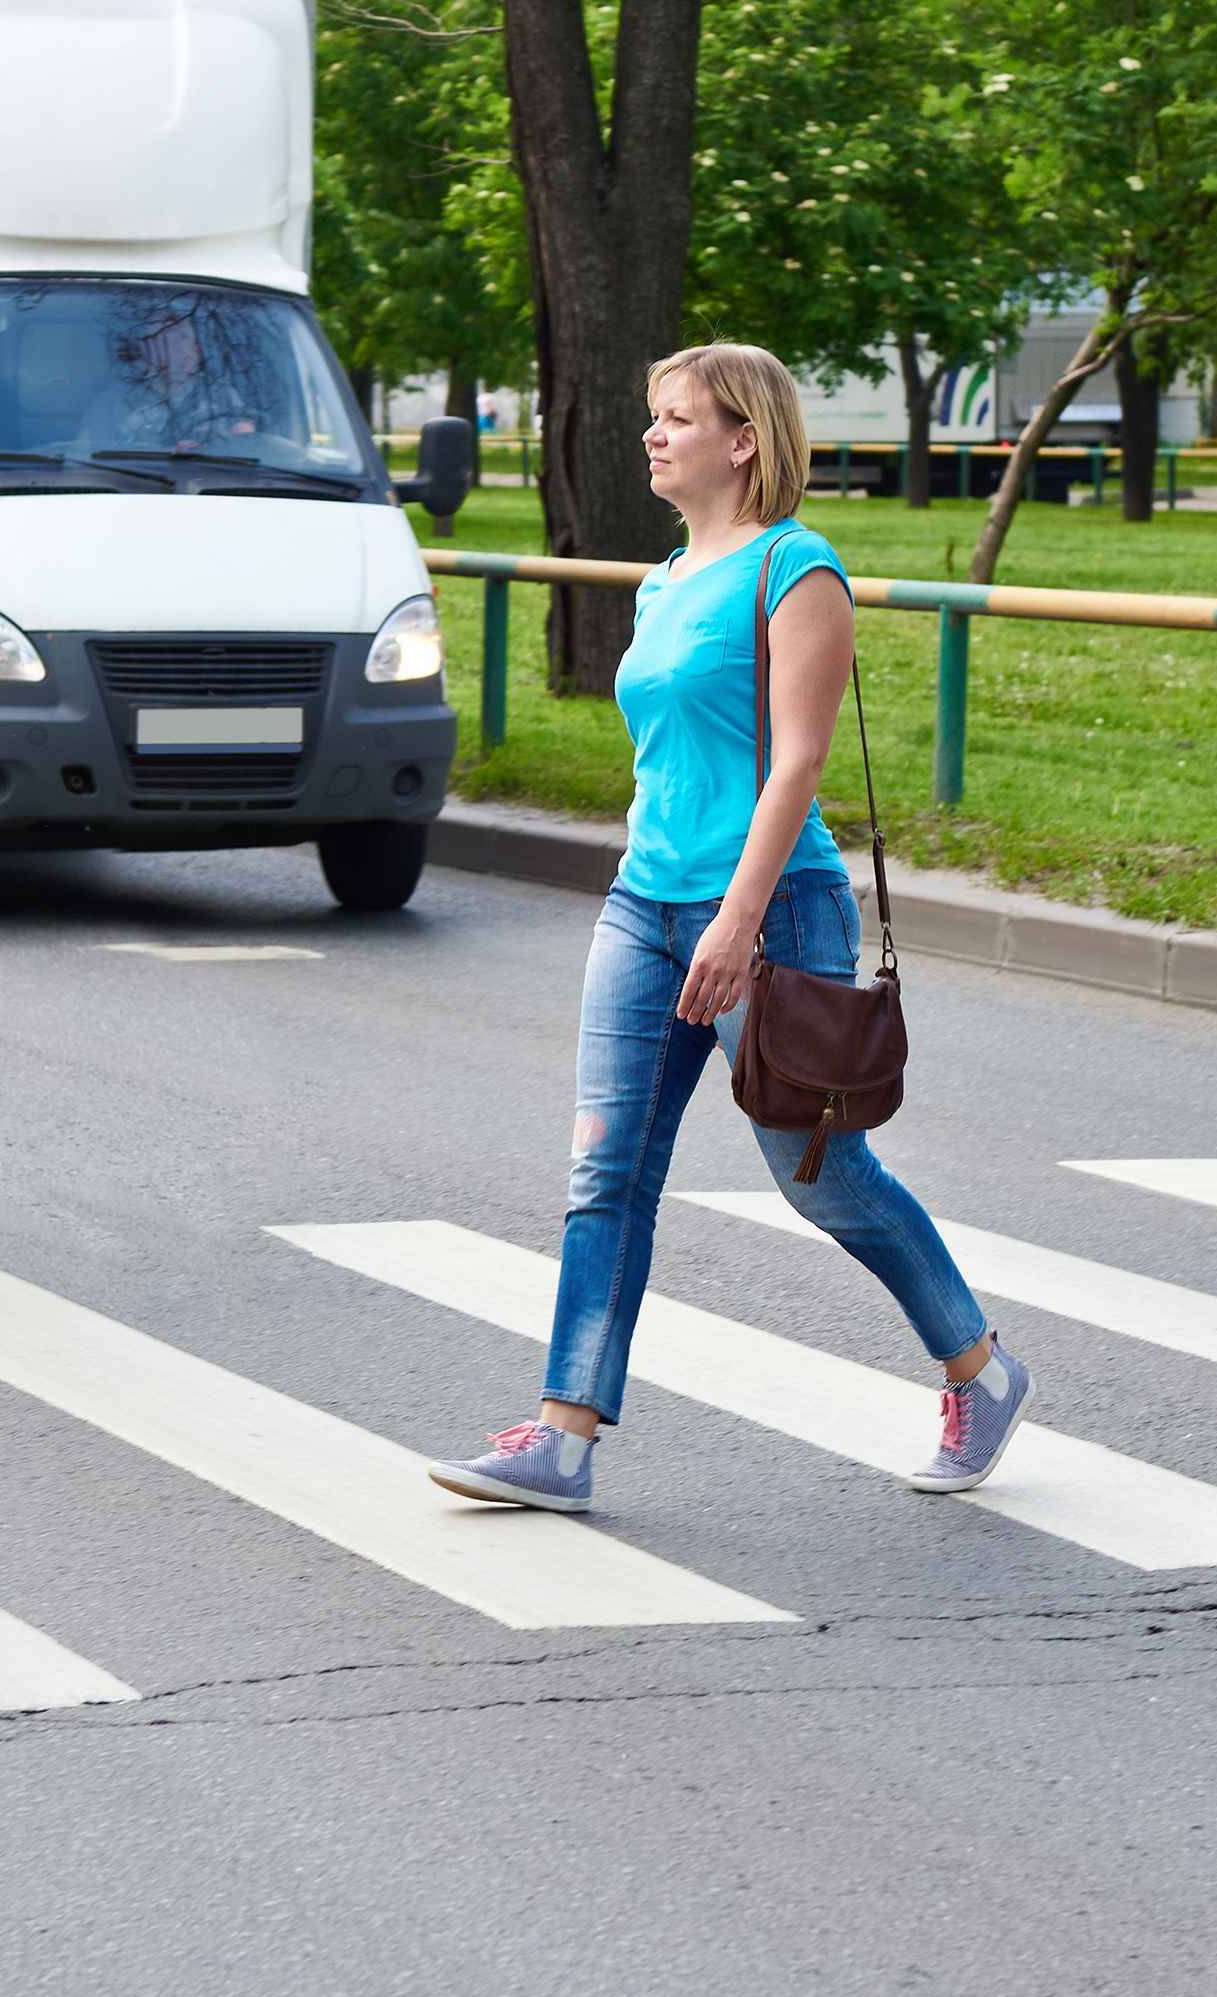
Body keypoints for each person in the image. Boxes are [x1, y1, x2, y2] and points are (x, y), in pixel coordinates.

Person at [428, 342, 1030, 1512]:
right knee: (606, 1171)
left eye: (676, 419)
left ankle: (981, 1369)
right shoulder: (664, 578)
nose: (651, 437)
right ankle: (564, 1437)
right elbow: (671, 755)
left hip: (768, 909)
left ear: (742, 438)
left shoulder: (797, 571)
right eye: (652, 418)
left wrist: (736, 920)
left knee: (817, 1172)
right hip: (643, 905)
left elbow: (798, 761)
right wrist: (660, 887)